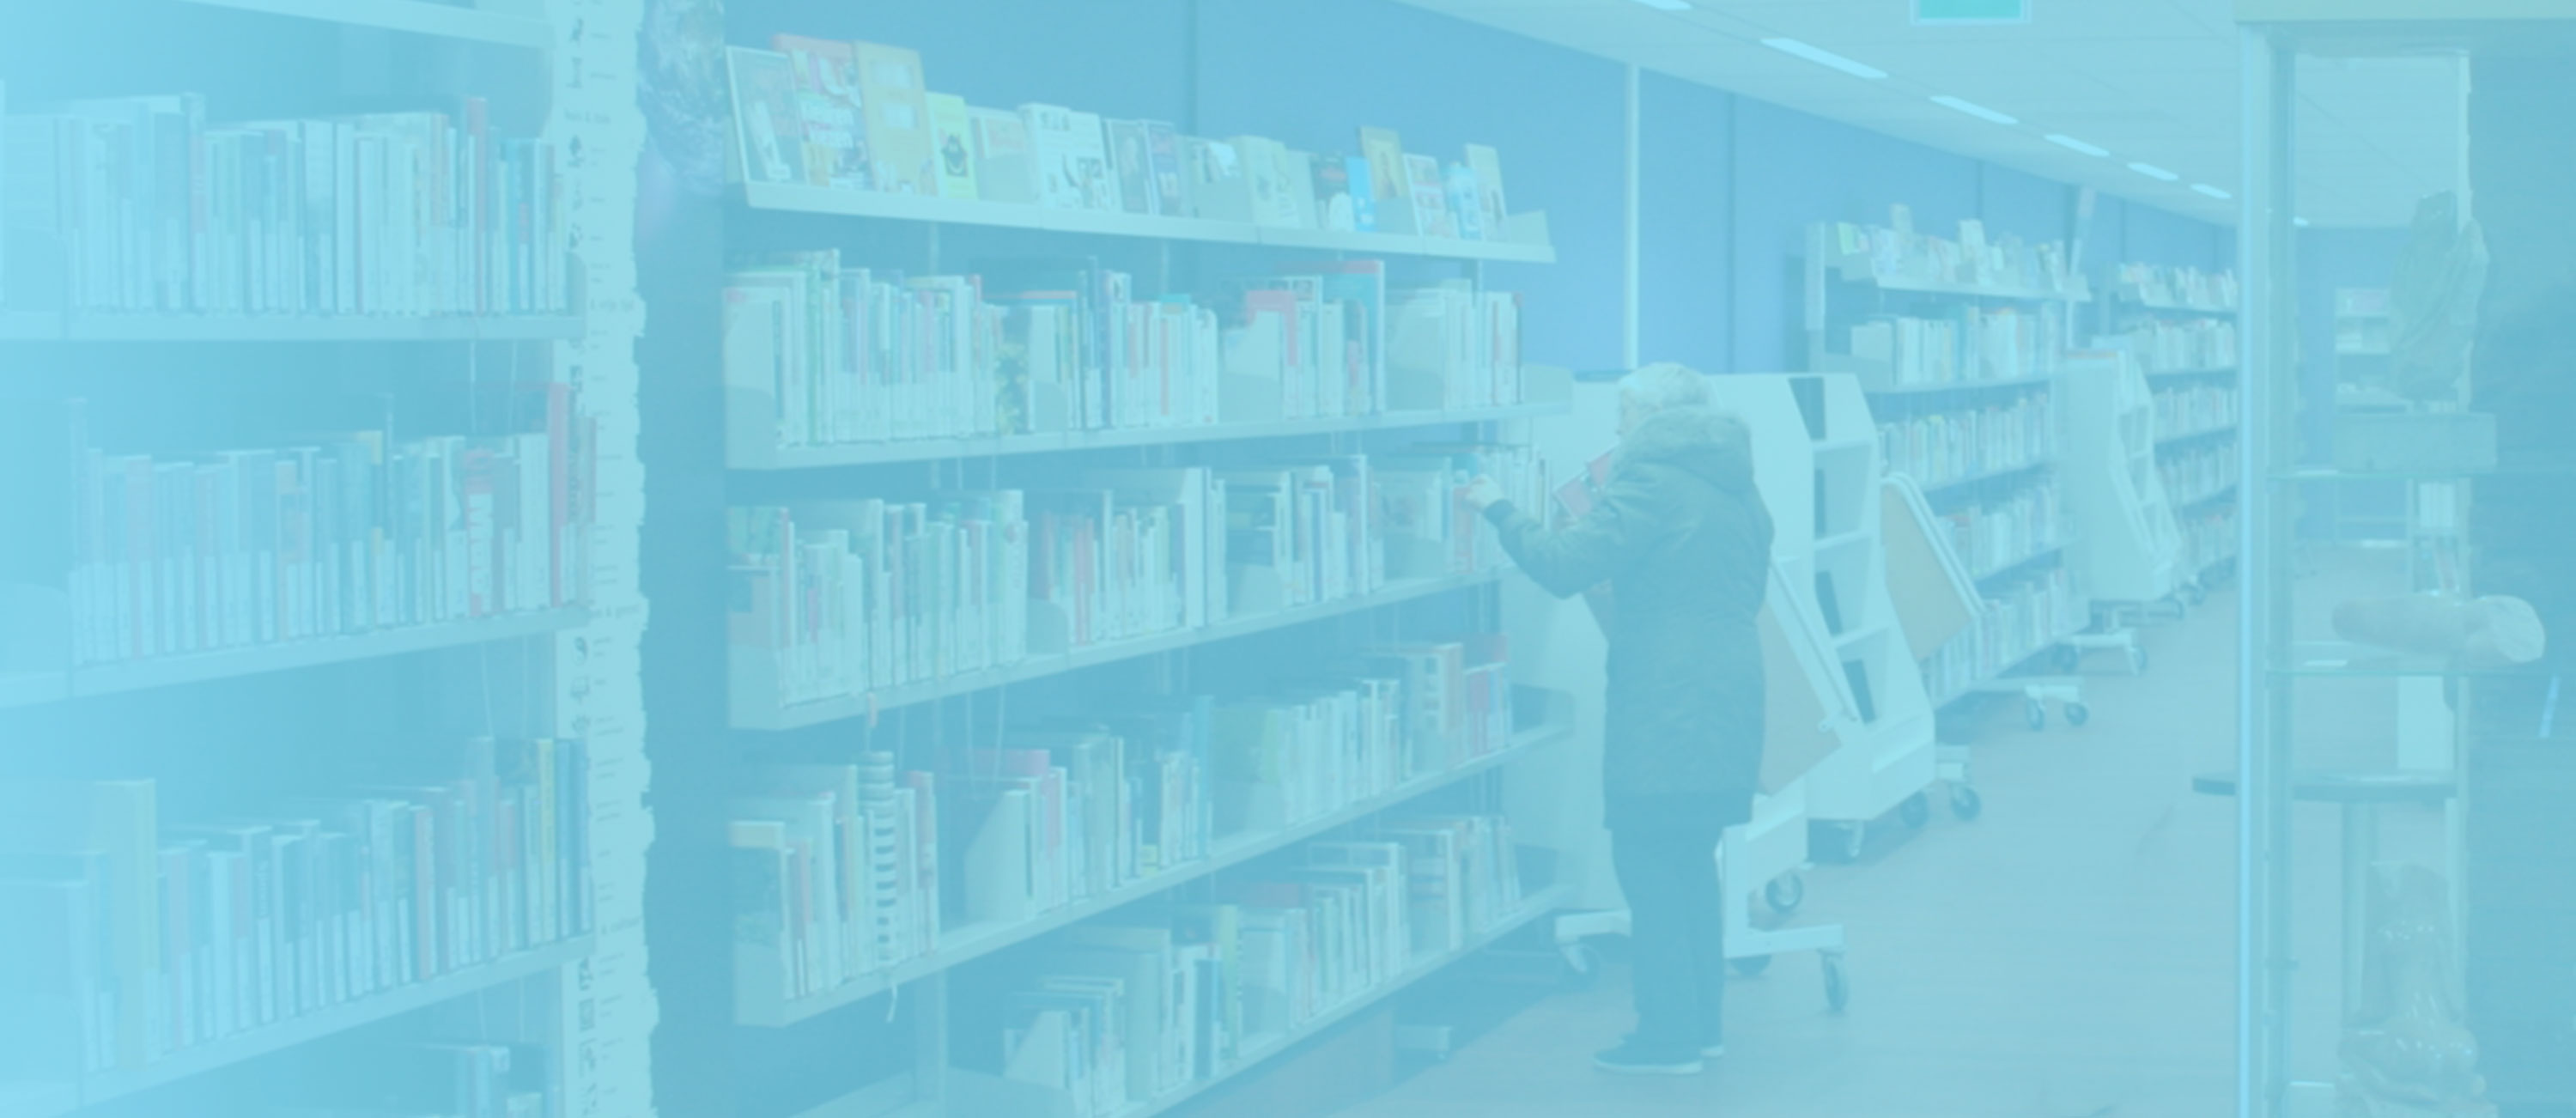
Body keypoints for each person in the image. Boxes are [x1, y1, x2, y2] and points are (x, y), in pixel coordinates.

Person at [1464, 363, 1773, 1076]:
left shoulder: (1651, 481)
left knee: (1647, 862)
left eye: (1625, 412)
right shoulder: (1737, 483)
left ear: (1658, 417)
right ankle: (1702, 1028)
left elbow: (1561, 565)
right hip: (1729, 691)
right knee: (1691, 863)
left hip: (1668, 701)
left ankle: (1667, 1040)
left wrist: (1499, 507)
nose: (1617, 426)